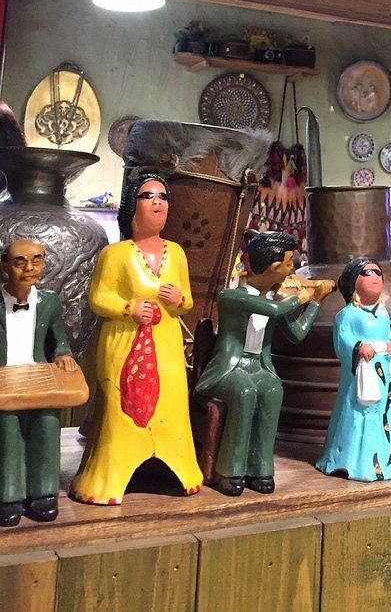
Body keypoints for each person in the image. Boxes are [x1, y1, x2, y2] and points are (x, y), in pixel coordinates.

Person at [71, 171, 203, 504]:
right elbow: (98, 298)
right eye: (149, 196)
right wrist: (129, 308)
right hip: (123, 344)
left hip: (166, 347)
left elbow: (187, 301)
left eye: (163, 197)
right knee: (120, 411)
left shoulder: (177, 253)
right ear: (132, 207)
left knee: (171, 403)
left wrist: (178, 300)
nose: (158, 203)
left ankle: (178, 467)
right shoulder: (115, 255)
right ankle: (108, 477)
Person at [195, 230, 333, 495]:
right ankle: (230, 470)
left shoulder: (275, 299)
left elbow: (297, 334)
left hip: (259, 366)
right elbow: (273, 310)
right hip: (229, 369)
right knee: (244, 391)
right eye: (290, 263)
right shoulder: (232, 296)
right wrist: (302, 294)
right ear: (274, 266)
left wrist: (315, 303)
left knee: (271, 389)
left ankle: (260, 469)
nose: (292, 270)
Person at [0, 238, 81, 526]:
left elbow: (59, 339)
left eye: (37, 260)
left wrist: (63, 354)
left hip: (38, 374)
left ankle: (43, 493)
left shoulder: (49, 301)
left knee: (46, 424)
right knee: (8, 428)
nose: (29, 268)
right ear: (5, 265)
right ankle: (9, 494)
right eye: (19, 261)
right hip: (5, 378)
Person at [316, 257, 391, 482]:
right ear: (353, 282)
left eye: (378, 273)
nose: (374, 277)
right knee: (359, 413)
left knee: (384, 413)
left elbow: (388, 336)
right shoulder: (347, 315)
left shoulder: (383, 313)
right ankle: (353, 460)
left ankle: (388, 460)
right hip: (361, 376)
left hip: (383, 374)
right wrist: (358, 347)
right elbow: (342, 340)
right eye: (367, 273)